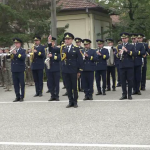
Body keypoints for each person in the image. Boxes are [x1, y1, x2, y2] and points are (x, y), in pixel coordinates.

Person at [61, 32, 83, 108]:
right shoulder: (63, 48)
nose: (67, 40)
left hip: (73, 70)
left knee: (74, 87)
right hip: (65, 70)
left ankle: (75, 102)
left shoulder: (76, 48)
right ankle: (70, 101)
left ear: (72, 40)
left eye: (68, 39)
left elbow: (80, 60)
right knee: (68, 87)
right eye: (66, 39)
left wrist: (79, 70)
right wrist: (50, 43)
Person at [117, 33, 135, 100]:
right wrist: (119, 53)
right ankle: (124, 94)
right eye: (122, 38)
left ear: (127, 39)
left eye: (124, 38)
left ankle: (129, 94)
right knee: (123, 81)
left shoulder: (131, 46)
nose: (123, 40)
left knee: (130, 80)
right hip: (122, 65)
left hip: (129, 65)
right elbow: (117, 56)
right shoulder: (119, 46)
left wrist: (126, 50)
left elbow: (134, 54)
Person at [47, 35, 61, 101]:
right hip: (49, 68)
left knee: (56, 83)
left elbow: (59, 58)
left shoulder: (57, 49)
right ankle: (52, 95)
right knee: (50, 82)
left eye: (52, 42)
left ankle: (57, 95)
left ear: (54, 42)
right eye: (50, 42)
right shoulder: (48, 49)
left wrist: (52, 56)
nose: (51, 43)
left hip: (56, 68)